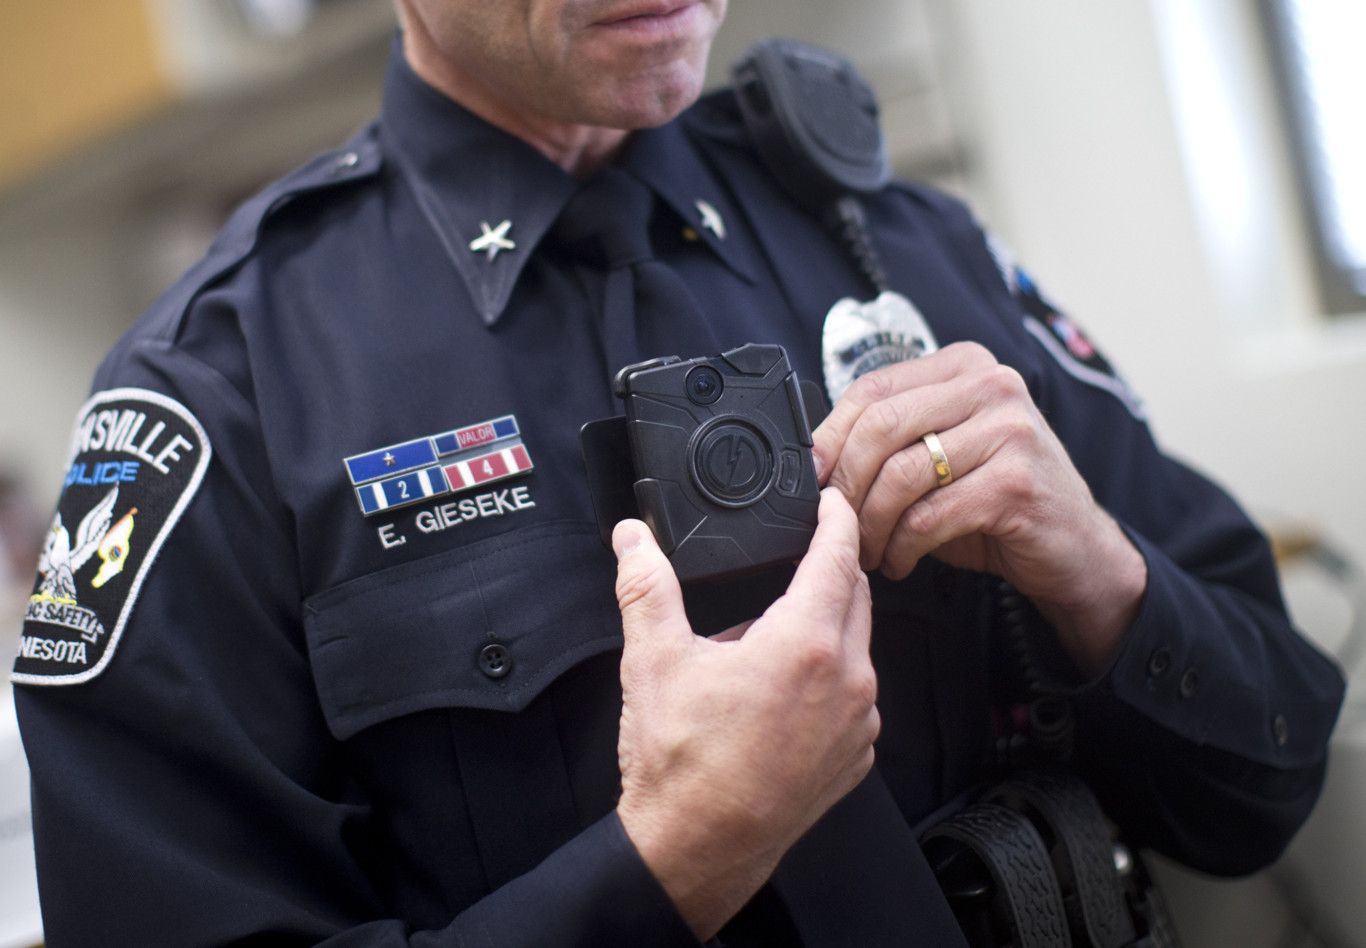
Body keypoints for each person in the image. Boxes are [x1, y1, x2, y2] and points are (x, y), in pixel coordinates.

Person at [13, 1, 1345, 944]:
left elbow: (1262, 783)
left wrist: (1100, 581)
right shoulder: (218, 390)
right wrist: (672, 862)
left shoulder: (902, 246)